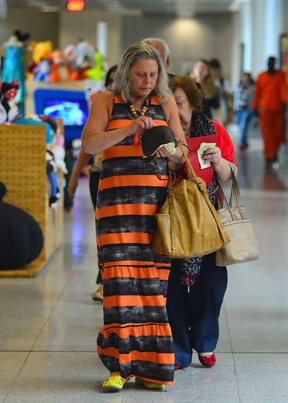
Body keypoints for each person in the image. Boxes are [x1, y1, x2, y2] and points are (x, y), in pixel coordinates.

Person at [81, 41, 187, 392]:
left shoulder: (166, 102)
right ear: (126, 73)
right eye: (141, 74)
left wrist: (172, 152)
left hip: (155, 208)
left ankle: (154, 369)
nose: (147, 81)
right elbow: (90, 145)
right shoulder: (105, 102)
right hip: (115, 207)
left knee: (153, 289)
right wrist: (129, 130)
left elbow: (183, 150)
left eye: (153, 75)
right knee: (119, 288)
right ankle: (119, 367)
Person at [166, 75, 237, 370]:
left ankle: (205, 339)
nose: (176, 112)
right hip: (170, 223)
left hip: (208, 221)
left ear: (194, 104)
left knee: (211, 286)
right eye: (168, 105)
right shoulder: (160, 133)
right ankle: (178, 350)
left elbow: (231, 177)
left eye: (179, 104)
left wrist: (219, 161)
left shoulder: (214, 131)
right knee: (170, 290)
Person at [68, 65, 118, 302]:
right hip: (99, 173)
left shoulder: (139, 108)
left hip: (127, 177)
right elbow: (87, 144)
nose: (114, 84)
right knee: (103, 230)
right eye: (110, 80)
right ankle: (104, 282)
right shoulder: (102, 105)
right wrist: (75, 174)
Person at [251, 56, 287, 170]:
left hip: (277, 111)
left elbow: (284, 90)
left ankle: (274, 153)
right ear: (267, 63)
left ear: (275, 63)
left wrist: (285, 104)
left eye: (272, 62)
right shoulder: (261, 76)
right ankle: (269, 157)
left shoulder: (281, 75)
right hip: (264, 110)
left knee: (278, 135)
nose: (270, 64)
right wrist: (255, 107)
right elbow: (257, 93)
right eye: (269, 62)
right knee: (267, 136)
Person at [191, 59, 224, 125]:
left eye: (203, 68)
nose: (200, 70)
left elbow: (217, 108)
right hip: (190, 121)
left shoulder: (212, 88)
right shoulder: (187, 85)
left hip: (205, 122)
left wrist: (220, 123)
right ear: (194, 69)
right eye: (198, 67)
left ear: (207, 71)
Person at [233, 72, 254, 151]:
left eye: (247, 77)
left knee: (243, 126)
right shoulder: (239, 87)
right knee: (239, 125)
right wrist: (234, 108)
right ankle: (245, 142)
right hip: (238, 110)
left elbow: (253, 99)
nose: (245, 79)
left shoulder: (252, 88)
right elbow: (236, 98)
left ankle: (242, 143)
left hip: (247, 110)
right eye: (244, 77)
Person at [209, 58, 234, 126]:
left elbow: (231, 95)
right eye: (212, 69)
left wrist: (223, 90)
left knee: (221, 127)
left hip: (222, 108)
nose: (214, 72)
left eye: (216, 69)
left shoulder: (223, 82)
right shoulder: (207, 82)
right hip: (210, 109)